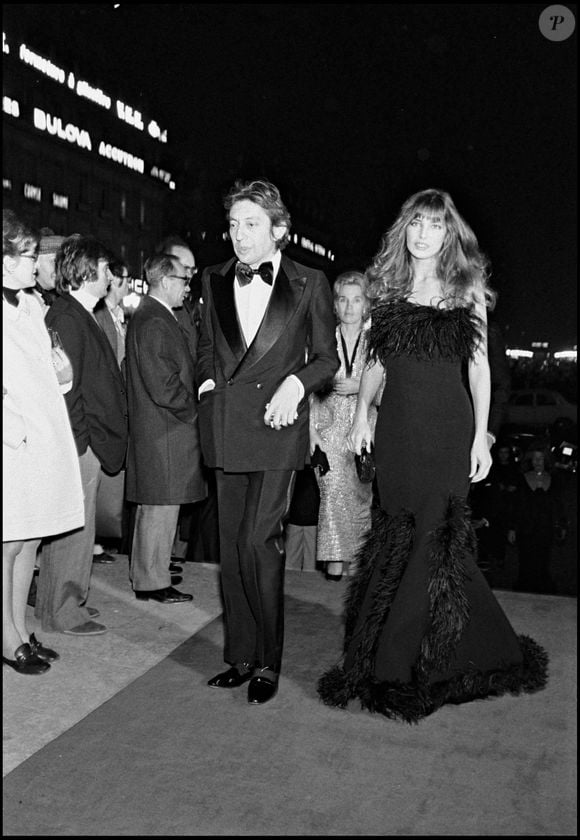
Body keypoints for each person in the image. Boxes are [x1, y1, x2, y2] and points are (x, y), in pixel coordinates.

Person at [317, 188, 548, 722]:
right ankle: (465, 644)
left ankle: (397, 667)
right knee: (398, 533)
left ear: (449, 235)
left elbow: (479, 369)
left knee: (434, 537)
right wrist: (358, 418)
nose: (423, 234)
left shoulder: (465, 290)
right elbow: (376, 362)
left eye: (435, 226)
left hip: (448, 431)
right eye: (416, 224)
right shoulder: (388, 288)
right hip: (397, 432)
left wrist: (481, 438)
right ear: (405, 229)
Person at [197, 178, 339, 704]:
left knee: (259, 539)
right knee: (232, 548)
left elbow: (327, 358)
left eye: (251, 224)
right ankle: (242, 656)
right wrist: (206, 383)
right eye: (233, 224)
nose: (239, 235)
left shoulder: (311, 283)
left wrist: (296, 383)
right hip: (227, 427)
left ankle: (270, 664)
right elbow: (205, 347)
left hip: (278, 429)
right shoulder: (213, 278)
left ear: (279, 230)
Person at [3, 210, 84, 673]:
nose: (37, 264)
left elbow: (43, 371)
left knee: (28, 541)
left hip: (40, 439)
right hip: (11, 443)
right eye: (29, 255)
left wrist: (64, 375)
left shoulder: (32, 304)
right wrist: (16, 430)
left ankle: (18, 627)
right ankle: (5, 636)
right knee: (7, 544)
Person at [37, 236, 128, 636]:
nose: (110, 276)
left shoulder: (80, 312)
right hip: (80, 444)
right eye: (106, 268)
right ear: (89, 270)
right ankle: (62, 610)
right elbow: (66, 391)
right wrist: (81, 445)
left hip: (85, 441)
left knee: (82, 527)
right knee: (72, 531)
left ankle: (68, 601)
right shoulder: (68, 317)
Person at [125, 253, 206, 604]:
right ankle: (152, 583)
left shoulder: (153, 316)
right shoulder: (155, 320)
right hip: (166, 433)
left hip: (162, 431)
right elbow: (163, 385)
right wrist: (195, 410)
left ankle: (149, 576)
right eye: (184, 281)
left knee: (158, 508)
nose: (187, 288)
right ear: (166, 280)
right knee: (160, 508)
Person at [310, 271, 381, 581]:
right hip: (326, 431)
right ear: (334, 305)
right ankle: (335, 567)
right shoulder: (321, 339)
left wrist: (360, 387)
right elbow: (306, 388)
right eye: (343, 300)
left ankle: (357, 568)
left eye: (357, 300)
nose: (350, 307)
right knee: (333, 493)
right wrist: (310, 432)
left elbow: (391, 390)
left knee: (362, 499)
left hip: (365, 433)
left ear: (366, 304)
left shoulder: (376, 343)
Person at [92, 255, 131, 565]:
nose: (128, 284)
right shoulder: (101, 316)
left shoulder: (121, 316)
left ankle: (98, 539)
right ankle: (92, 541)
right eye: (125, 278)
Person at [508, 443, 567, 594]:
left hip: (545, 528)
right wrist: (512, 528)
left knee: (544, 558)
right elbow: (516, 506)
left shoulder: (554, 479)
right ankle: (525, 586)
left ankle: (542, 587)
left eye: (540, 459)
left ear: (546, 460)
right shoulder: (522, 479)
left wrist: (562, 525)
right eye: (535, 459)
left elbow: (558, 505)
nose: (537, 462)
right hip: (526, 528)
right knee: (526, 559)